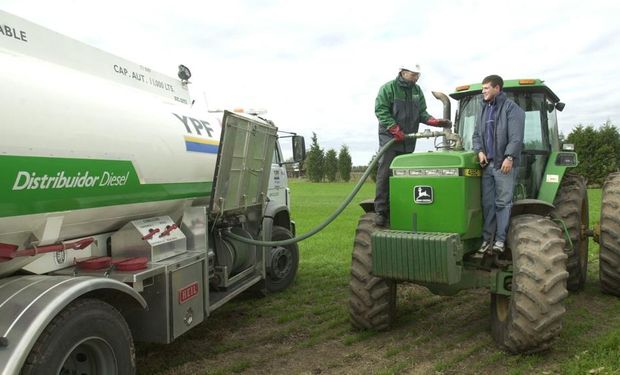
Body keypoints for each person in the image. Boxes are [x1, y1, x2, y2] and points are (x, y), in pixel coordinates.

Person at [374, 64, 451, 227]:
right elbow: (381, 110)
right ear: (403, 72)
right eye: (413, 74)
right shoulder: (388, 89)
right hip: (390, 139)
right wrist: (393, 128)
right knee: (385, 172)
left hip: (408, 139)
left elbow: (421, 113)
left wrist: (433, 121)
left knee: (406, 175)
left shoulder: (417, 91)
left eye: (418, 75)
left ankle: (403, 209)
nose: (416, 78)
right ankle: (381, 211)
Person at [472, 75, 525, 254]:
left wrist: (509, 157)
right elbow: (476, 136)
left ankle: (501, 240)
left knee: (502, 203)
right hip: (487, 165)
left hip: (503, 165)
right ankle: (487, 239)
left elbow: (516, 137)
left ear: (497, 88)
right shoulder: (482, 110)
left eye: (486, 88)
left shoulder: (511, 108)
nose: (483, 91)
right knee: (488, 204)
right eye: (483, 88)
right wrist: (479, 151)